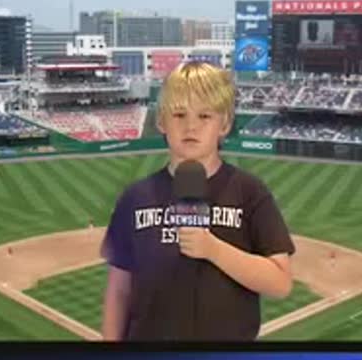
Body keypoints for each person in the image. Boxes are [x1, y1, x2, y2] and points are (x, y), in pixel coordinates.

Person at [101, 62, 295, 341]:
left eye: (204, 115)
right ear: (161, 121)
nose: (190, 125)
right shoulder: (135, 198)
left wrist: (213, 249)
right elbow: (119, 291)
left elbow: (281, 283)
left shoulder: (250, 192)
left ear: (224, 124)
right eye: (179, 114)